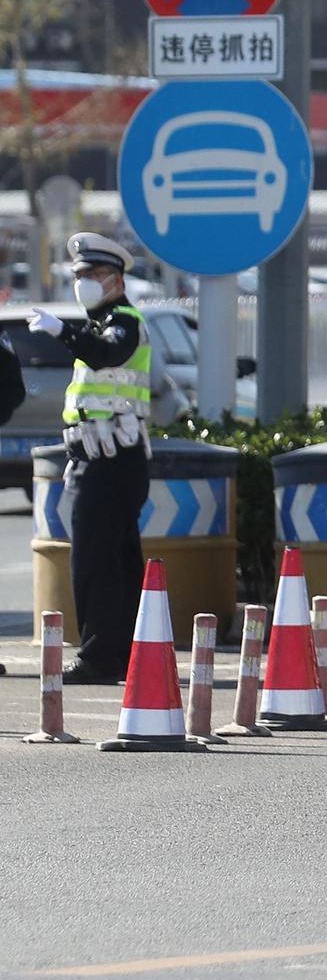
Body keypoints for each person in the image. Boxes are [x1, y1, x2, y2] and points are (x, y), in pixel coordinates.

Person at [29, 233, 152, 684]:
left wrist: (62, 331)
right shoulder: (101, 324)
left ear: (116, 280)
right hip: (99, 456)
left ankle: (101, 658)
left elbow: (107, 354)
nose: (83, 282)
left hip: (111, 459)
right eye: (79, 275)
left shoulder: (124, 321)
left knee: (97, 561)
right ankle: (125, 652)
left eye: (92, 275)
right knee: (114, 561)